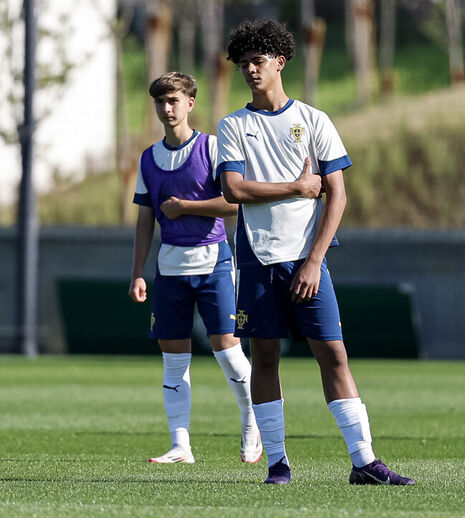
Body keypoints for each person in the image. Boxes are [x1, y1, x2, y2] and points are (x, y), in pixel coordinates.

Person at [215, 19, 414, 486]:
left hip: (307, 262)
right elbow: (234, 188)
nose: (250, 69)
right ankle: (277, 464)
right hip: (257, 262)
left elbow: (338, 196)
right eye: (243, 63)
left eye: (258, 61)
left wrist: (314, 260)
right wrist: (298, 186)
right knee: (265, 359)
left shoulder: (314, 119)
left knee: (334, 356)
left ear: (280, 62)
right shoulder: (233, 125)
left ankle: (364, 462)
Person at [129, 72, 262, 465]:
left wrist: (187, 207)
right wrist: (138, 271)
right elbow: (144, 220)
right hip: (169, 269)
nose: (166, 109)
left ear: (190, 103)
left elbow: (236, 203)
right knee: (173, 359)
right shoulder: (148, 159)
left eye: (174, 101)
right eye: (160, 102)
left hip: (215, 263)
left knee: (227, 351)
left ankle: (251, 422)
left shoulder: (213, 148)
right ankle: (180, 445)